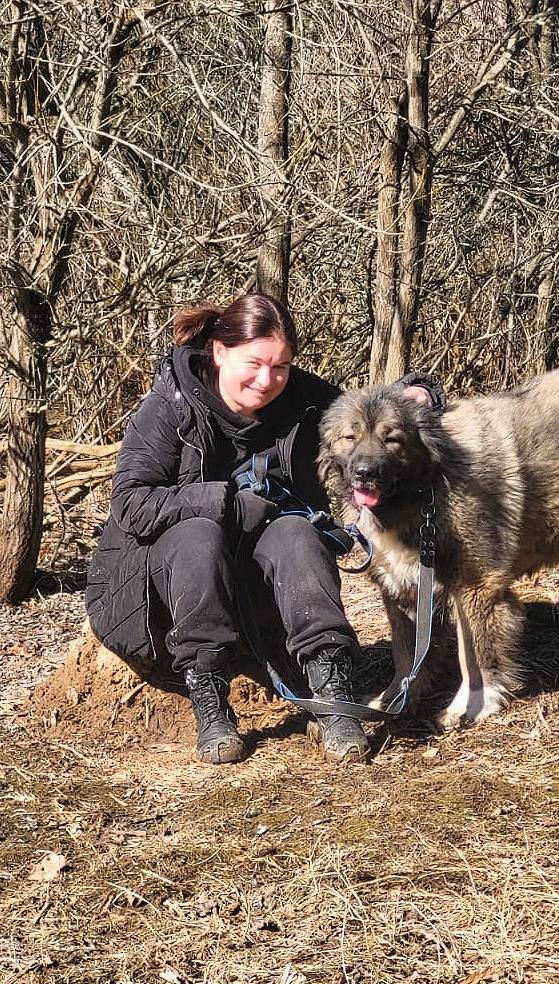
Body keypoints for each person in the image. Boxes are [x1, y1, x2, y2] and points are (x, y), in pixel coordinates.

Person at [85, 293, 445, 765]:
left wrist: (418, 393)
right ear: (219, 352)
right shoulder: (168, 407)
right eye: (254, 364)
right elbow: (130, 504)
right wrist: (227, 504)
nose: (267, 379)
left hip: (260, 581)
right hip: (163, 587)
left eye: (280, 367)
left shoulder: (302, 400)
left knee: (296, 532)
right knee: (199, 533)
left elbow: (369, 411)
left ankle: (331, 690)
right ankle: (210, 698)